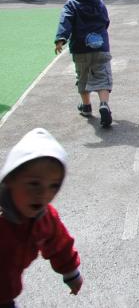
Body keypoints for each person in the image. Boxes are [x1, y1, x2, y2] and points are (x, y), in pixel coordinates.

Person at [1, 128, 83, 305]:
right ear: (9, 180)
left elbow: (59, 243)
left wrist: (70, 272)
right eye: (33, 183)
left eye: (54, 185)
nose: (43, 193)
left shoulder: (44, 218)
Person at [54, 0, 113, 128]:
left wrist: (61, 39)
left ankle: (86, 105)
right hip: (100, 46)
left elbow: (65, 21)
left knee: (82, 76)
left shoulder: (71, 4)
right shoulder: (100, 3)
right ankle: (104, 103)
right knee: (103, 75)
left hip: (80, 48)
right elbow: (106, 21)